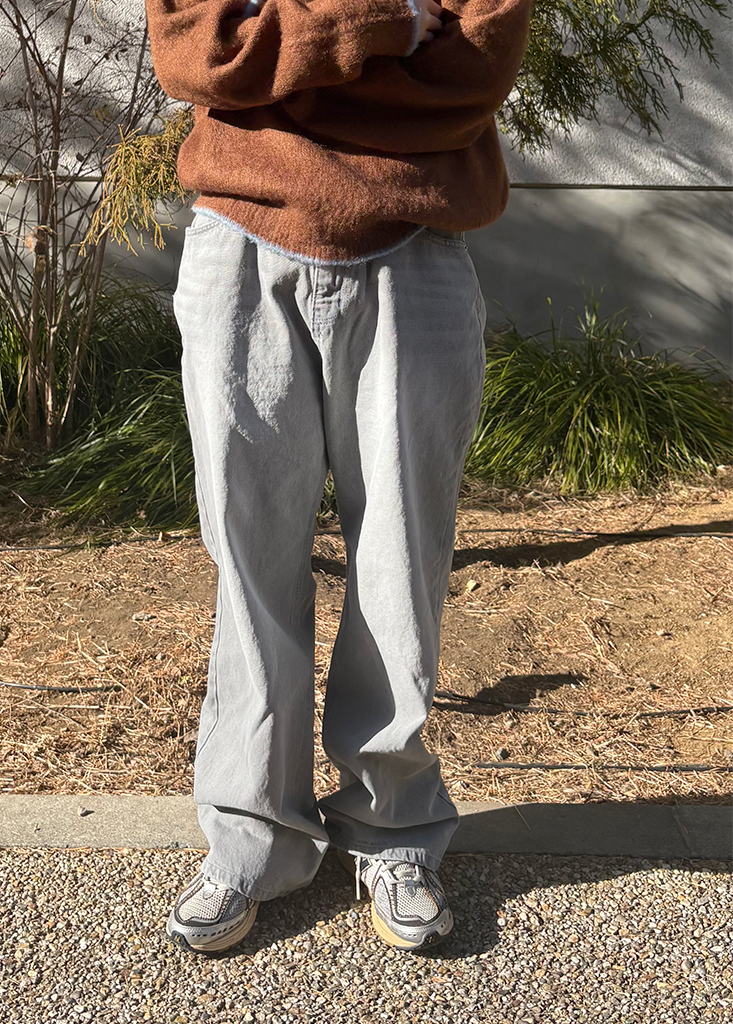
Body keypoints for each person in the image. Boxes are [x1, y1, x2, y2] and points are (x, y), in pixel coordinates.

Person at [144, 0, 533, 953]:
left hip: (416, 245)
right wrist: (386, 23)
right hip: (240, 237)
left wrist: (287, 56)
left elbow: (473, 70)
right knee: (250, 559)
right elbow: (199, 52)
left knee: (402, 559)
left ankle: (393, 829)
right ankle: (251, 838)